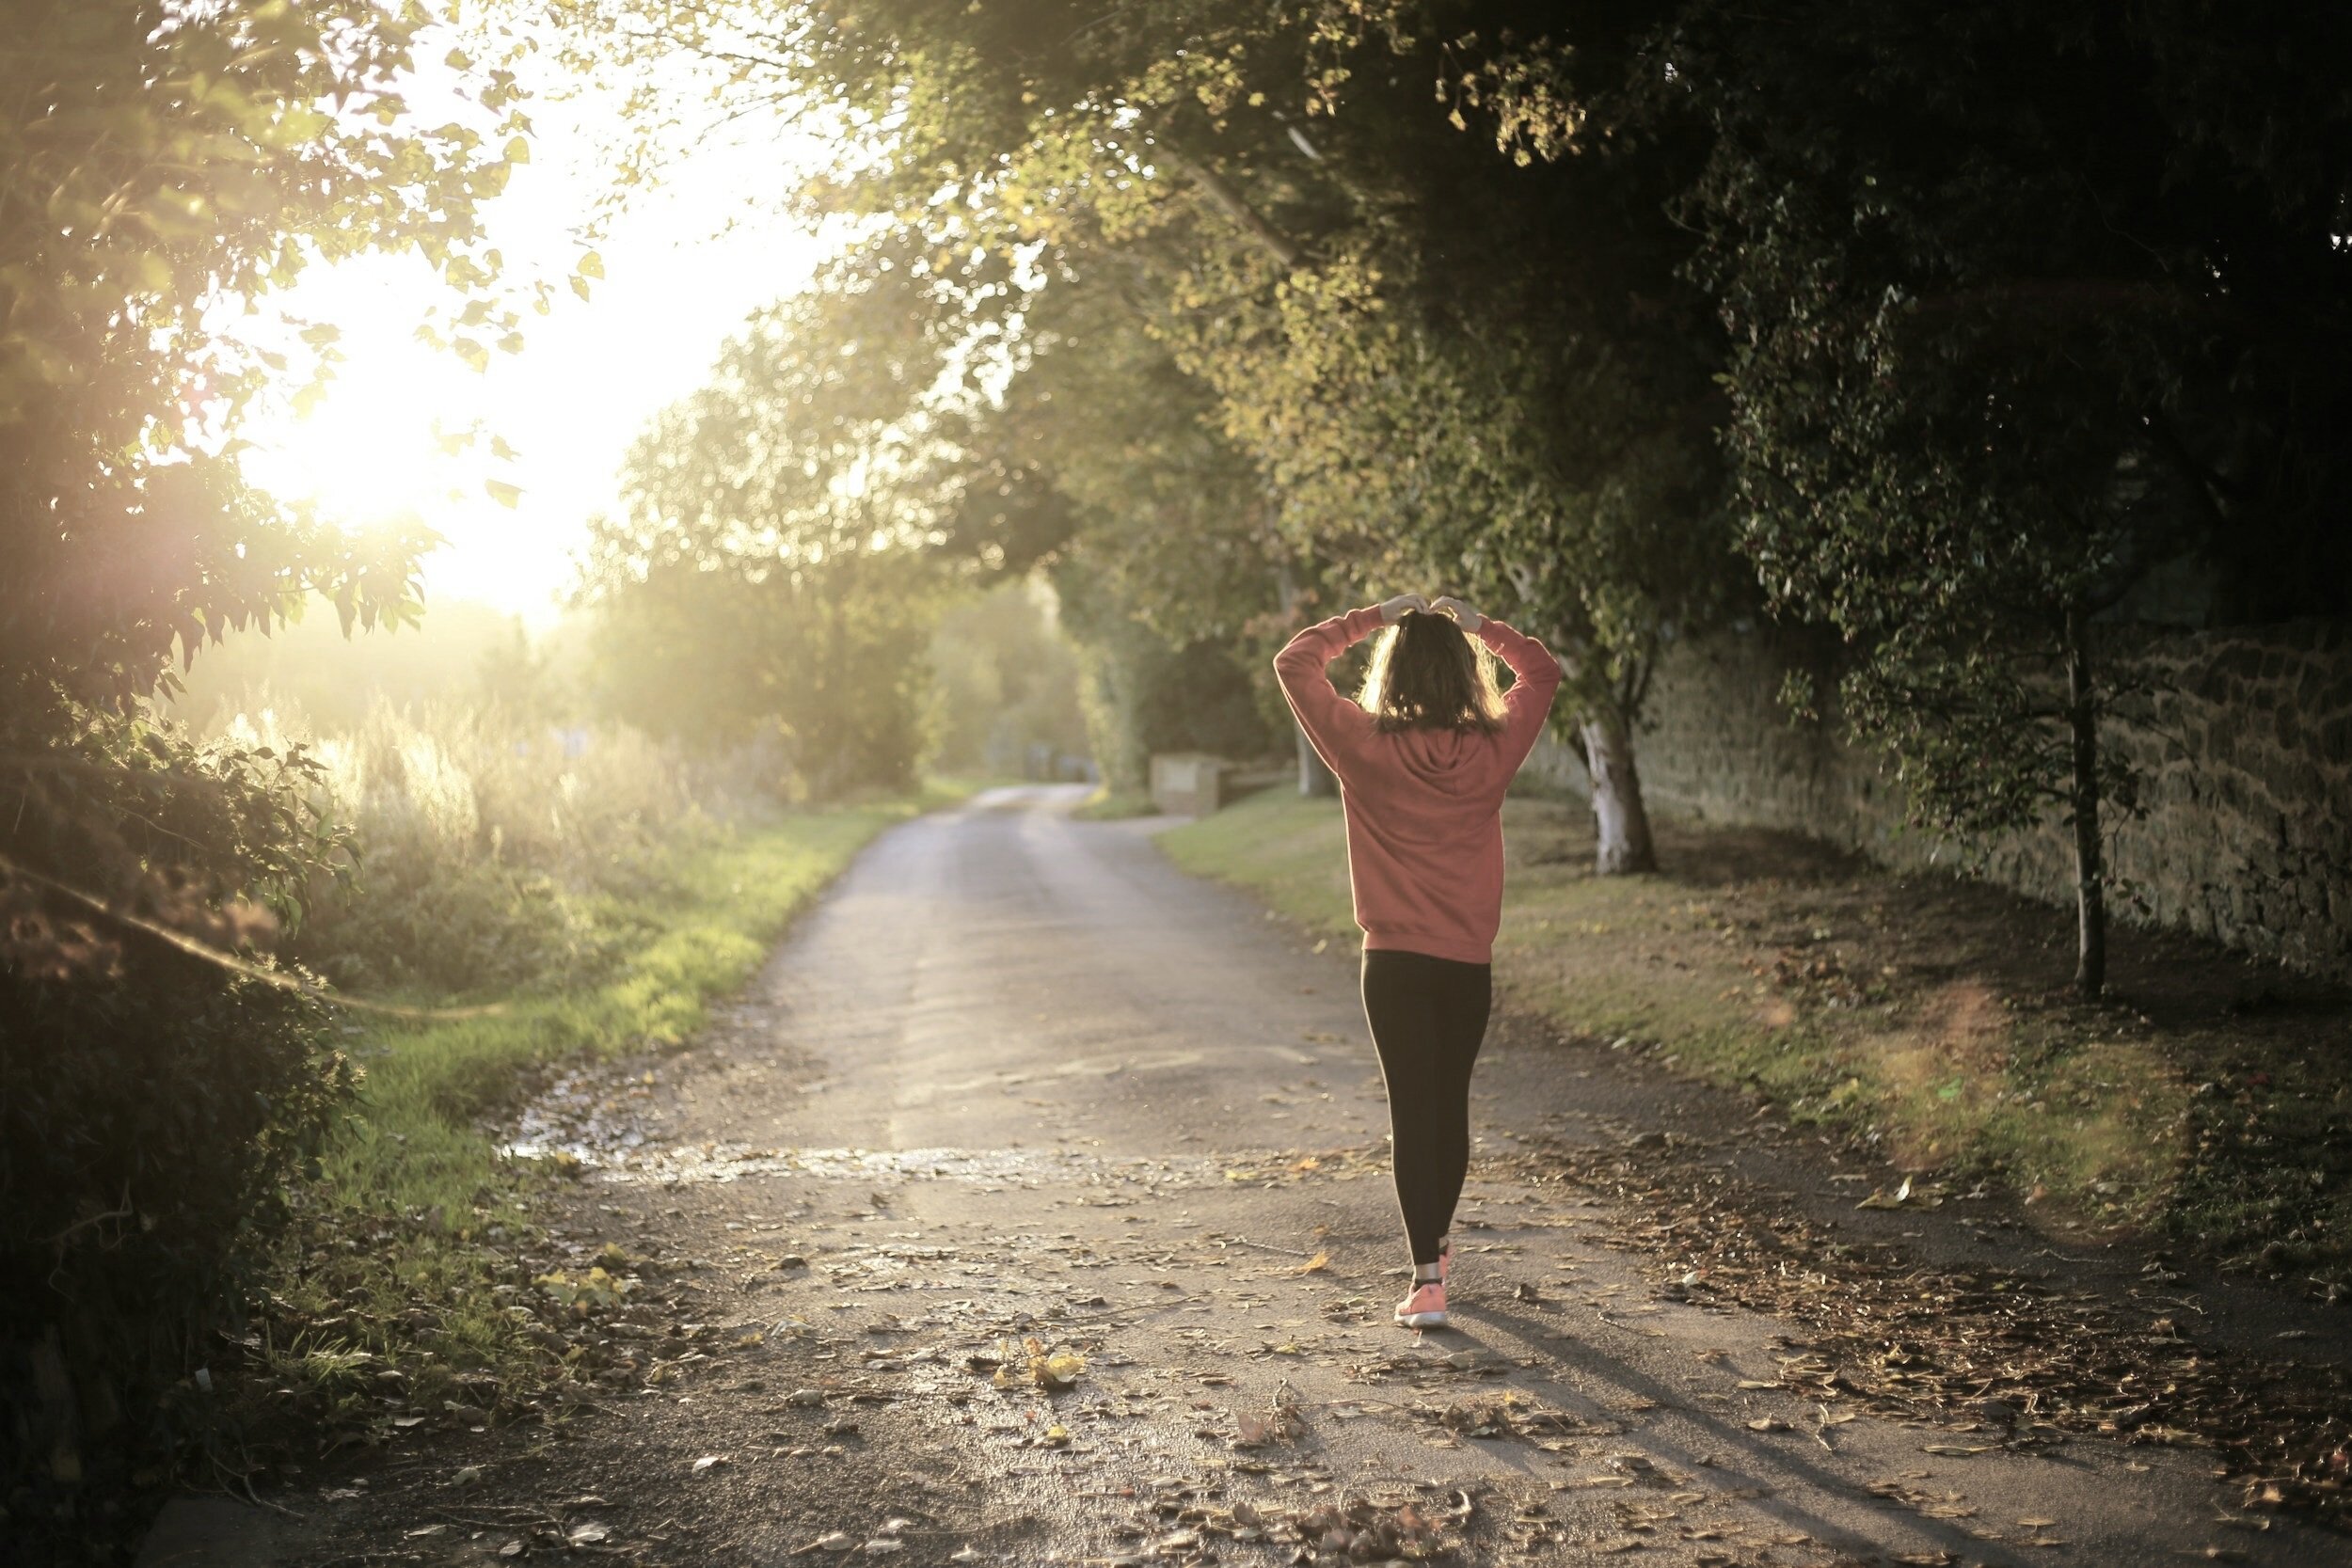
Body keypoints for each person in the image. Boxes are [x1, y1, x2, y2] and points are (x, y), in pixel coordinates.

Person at [1273, 592, 1563, 1329]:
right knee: (1449, 1104)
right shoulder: (1494, 748)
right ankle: (1434, 1250)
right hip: (1466, 961)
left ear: (1391, 672)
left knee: (1412, 1109)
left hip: (1394, 963)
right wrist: (1480, 626)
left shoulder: (1361, 744)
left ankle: (1427, 1278)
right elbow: (1542, 670)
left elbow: (1295, 661)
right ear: (1466, 674)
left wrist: (1372, 616)